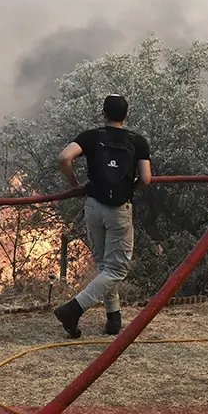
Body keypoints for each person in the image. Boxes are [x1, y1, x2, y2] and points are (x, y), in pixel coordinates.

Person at [53, 94, 151, 337]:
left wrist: (75, 184)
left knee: (103, 265)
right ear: (126, 115)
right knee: (116, 270)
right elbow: (146, 179)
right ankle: (73, 309)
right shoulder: (137, 141)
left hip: (93, 206)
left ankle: (113, 318)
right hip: (119, 210)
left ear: (103, 113)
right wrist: (130, 187)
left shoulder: (91, 136)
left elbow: (64, 157)